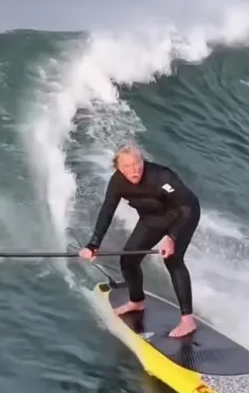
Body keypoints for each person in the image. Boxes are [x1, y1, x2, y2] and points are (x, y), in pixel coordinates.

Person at [79, 143, 201, 337]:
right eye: (127, 166)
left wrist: (172, 237)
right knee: (128, 260)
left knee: (173, 259)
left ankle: (188, 320)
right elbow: (107, 211)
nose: (134, 169)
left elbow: (187, 206)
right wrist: (93, 244)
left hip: (182, 215)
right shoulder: (118, 182)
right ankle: (136, 301)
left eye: (137, 163)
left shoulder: (162, 177)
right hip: (152, 219)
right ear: (118, 167)